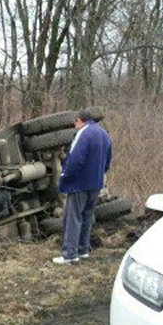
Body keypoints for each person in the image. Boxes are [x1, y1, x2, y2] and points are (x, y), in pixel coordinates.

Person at [53, 109, 112, 264]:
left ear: (79, 120)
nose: (75, 126)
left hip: (79, 184)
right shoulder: (103, 134)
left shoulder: (83, 134)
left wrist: (65, 177)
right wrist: (99, 174)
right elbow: (107, 161)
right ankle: (83, 249)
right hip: (96, 183)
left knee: (72, 218)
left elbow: (75, 159)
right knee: (86, 217)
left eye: (75, 123)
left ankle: (69, 254)